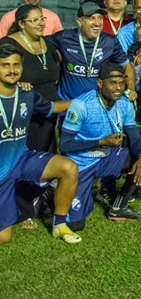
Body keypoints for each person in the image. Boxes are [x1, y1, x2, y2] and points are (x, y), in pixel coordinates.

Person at [0, 43, 79, 245]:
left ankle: (60, 225)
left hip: (22, 159)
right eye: (5, 65)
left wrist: (81, 101)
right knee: (4, 237)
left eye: (16, 65)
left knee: (68, 167)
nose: (12, 70)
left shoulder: (28, 94)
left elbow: (53, 107)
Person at [59, 63, 141, 230]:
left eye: (122, 83)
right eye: (113, 83)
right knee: (75, 225)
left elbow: (134, 136)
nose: (118, 88)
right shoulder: (81, 105)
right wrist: (101, 142)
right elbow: (64, 144)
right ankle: (52, 190)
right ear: (100, 83)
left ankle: (118, 206)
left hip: (106, 157)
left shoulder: (124, 104)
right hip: (80, 164)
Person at [0, 5, 63, 228]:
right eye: (34, 20)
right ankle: (21, 210)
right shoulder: (9, 44)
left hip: (48, 109)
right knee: (24, 160)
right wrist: (16, 82)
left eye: (42, 19)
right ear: (21, 23)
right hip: (24, 112)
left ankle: (40, 201)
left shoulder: (48, 42)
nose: (41, 23)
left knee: (46, 156)